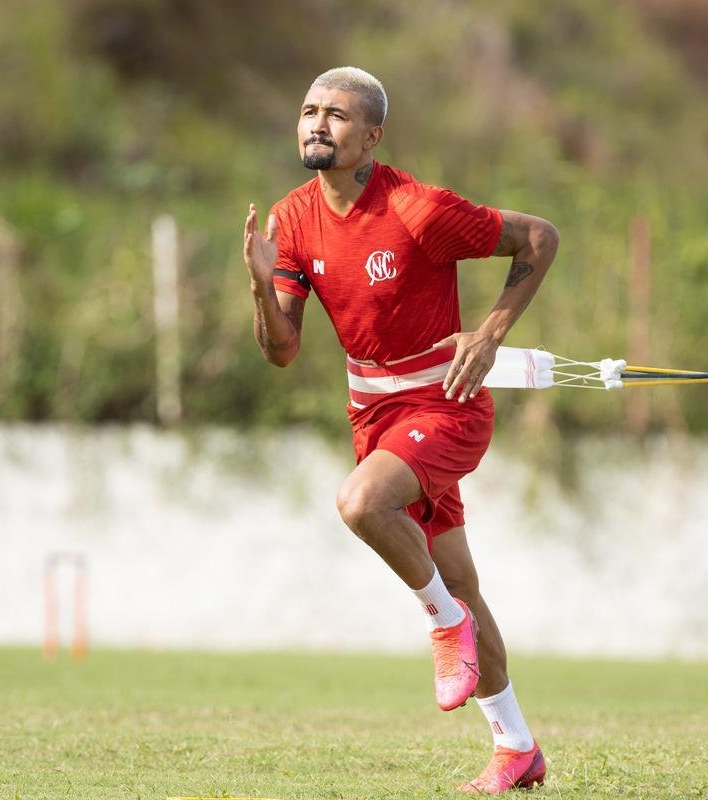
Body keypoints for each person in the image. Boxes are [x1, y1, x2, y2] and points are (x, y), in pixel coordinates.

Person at [242, 66, 559, 794]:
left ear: (372, 137)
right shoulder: (291, 219)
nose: (317, 124)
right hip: (374, 414)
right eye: (309, 110)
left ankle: (442, 624)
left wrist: (490, 333)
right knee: (462, 584)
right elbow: (280, 351)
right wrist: (260, 287)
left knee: (360, 503)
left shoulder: (418, 208)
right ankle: (516, 747)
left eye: (337, 115)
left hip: (446, 406)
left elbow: (539, 237)